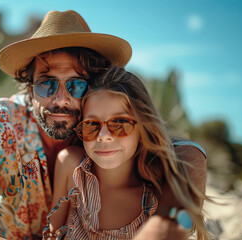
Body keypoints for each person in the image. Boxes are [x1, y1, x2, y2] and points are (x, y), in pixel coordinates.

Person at [0, 10, 207, 240]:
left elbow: (187, 154)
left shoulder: (102, 131)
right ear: (29, 86)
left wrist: (165, 223)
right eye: (46, 84)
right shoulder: (3, 122)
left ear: (94, 86)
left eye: (76, 85)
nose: (61, 100)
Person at [44, 66, 209, 239]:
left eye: (120, 122)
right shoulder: (71, 167)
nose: (103, 136)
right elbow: (53, 234)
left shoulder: (155, 196)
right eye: (91, 124)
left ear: (142, 129)